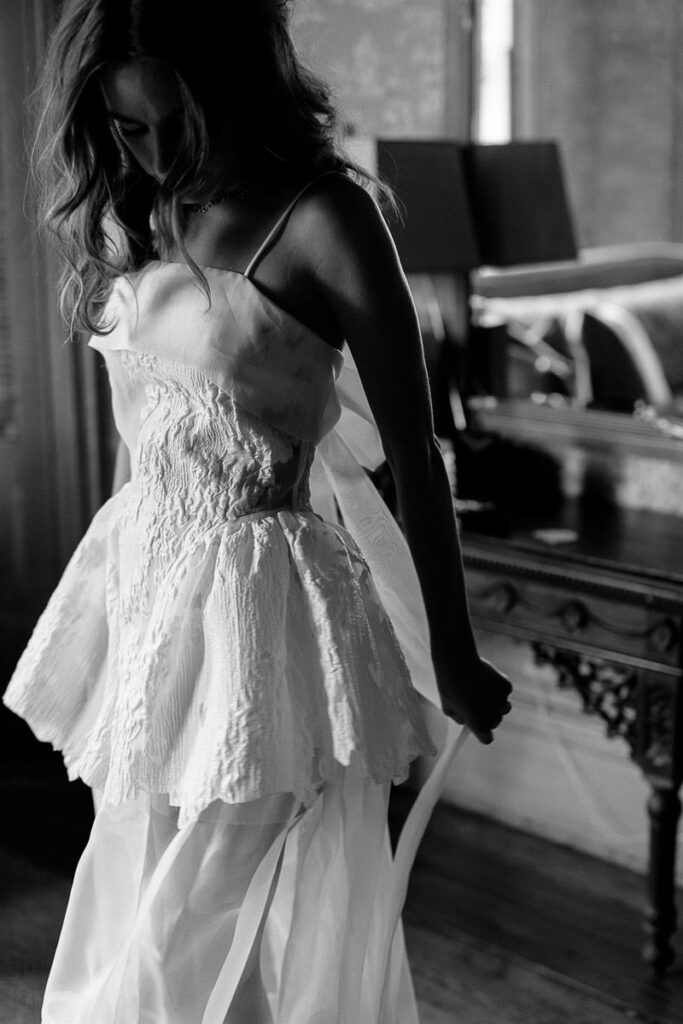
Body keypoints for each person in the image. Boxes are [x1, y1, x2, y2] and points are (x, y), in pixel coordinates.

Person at [3, 1, 512, 1021]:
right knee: (139, 873)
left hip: (263, 607)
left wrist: (450, 651)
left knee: (192, 905)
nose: (151, 154)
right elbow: (151, 421)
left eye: (170, 126)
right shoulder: (141, 208)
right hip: (147, 593)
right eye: (127, 130)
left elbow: (412, 455)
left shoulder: (326, 217)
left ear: (235, 91)